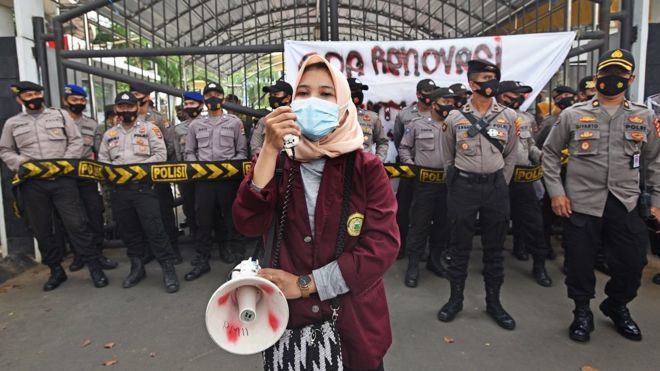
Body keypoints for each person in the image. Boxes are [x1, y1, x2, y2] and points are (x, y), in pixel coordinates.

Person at [232, 54, 399, 371]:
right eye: (304, 93)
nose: (313, 102)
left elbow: (382, 247)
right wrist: (269, 149)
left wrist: (307, 284)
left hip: (354, 325)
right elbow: (247, 222)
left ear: (343, 103)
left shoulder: (366, 168)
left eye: (325, 94)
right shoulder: (278, 163)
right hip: (288, 324)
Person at [542, 49, 660, 343]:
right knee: (580, 264)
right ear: (597, 76)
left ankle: (616, 305)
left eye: (620, 74)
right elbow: (550, 154)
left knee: (633, 264)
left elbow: (654, 162)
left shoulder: (643, 117)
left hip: (625, 202)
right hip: (582, 203)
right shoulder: (573, 114)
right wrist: (556, 193)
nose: (613, 79)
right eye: (607, 72)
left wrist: (657, 202)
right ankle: (582, 311)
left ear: (631, 78)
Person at [0, 81, 108, 290]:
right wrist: (20, 163)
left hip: (62, 181)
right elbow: (5, 150)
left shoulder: (60, 116)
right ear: (19, 99)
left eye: (35, 94)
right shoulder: (13, 123)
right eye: (27, 95)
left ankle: (95, 268)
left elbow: (76, 141)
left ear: (42, 95)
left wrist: (65, 164)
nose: (32, 98)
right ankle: (56, 270)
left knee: (77, 224)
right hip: (32, 184)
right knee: (42, 228)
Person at [437, 60, 518, 330]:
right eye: (485, 78)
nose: (491, 83)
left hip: (495, 188)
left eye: (494, 78)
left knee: (495, 249)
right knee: (459, 247)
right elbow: (448, 156)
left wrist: (500, 183)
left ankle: (494, 303)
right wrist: (459, 182)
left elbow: (510, 155)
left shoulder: (507, 116)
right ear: (473, 84)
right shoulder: (454, 119)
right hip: (464, 187)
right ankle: (455, 299)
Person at [97, 92, 180, 293]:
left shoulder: (150, 129)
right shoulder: (109, 135)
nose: (126, 110)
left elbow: (160, 156)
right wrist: (118, 172)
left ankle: (168, 269)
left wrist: (133, 169)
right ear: (116, 109)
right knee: (129, 232)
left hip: (144, 188)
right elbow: (103, 161)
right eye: (122, 106)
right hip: (119, 191)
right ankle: (137, 267)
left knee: (155, 230)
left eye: (129, 106)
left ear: (137, 106)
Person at [183, 82, 248, 280]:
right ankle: (202, 259)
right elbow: (189, 152)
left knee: (230, 217)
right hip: (204, 182)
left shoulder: (235, 122)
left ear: (223, 98)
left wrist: (227, 169)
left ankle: (234, 254)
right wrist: (200, 170)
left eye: (216, 94)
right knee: (203, 219)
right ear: (204, 99)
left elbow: (241, 151)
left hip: (227, 180)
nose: (213, 97)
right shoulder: (195, 125)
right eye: (209, 94)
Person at [398, 87, 456, 287]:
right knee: (419, 224)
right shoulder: (417, 124)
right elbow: (404, 147)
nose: (449, 105)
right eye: (445, 101)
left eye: (451, 101)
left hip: (447, 183)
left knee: (443, 225)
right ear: (434, 104)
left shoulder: (456, 126)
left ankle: (434, 260)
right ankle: (413, 265)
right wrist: (411, 164)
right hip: (425, 183)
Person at [496, 81, 552, 287]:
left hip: (522, 178)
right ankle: (493, 264)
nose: (520, 98)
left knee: (533, 223)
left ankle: (539, 265)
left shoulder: (526, 118)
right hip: (500, 178)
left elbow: (529, 146)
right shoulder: (491, 117)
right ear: (503, 95)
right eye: (515, 94)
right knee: (497, 222)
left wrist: (544, 158)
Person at [59, 84, 118, 272]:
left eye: (82, 100)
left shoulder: (91, 125)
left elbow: (100, 151)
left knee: (94, 213)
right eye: (74, 100)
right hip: (63, 178)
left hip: (86, 176)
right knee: (72, 219)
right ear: (65, 100)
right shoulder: (55, 121)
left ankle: (98, 253)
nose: (78, 103)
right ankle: (79, 255)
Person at [130, 83, 181, 264]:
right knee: (141, 215)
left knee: (164, 212)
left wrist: (157, 162)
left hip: (157, 172)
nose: (135, 97)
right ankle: (147, 250)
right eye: (133, 93)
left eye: (138, 93)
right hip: (134, 176)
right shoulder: (127, 118)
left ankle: (173, 249)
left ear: (146, 96)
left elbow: (169, 144)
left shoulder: (159, 118)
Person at [392, 78, 436, 259]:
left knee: (426, 211)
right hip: (410, 168)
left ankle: (422, 248)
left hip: (431, 170)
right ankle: (401, 246)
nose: (430, 97)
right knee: (404, 209)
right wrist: (408, 160)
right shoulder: (404, 114)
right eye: (427, 93)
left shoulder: (439, 113)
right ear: (419, 94)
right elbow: (398, 139)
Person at [175, 91, 204, 238]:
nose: (188, 107)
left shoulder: (208, 124)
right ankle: (194, 231)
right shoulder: (178, 129)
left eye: (192, 104)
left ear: (201, 105)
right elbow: (176, 152)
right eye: (186, 104)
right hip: (186, 172)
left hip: (206, 172)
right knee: (188, 204)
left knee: (205, 206)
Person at [349, 77, 389, 162]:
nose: (358, 94)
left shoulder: (372, 117)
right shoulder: (334, 116)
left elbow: (382, 142)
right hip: (341, 168)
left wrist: (378, 161)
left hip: (365, 167)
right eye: (354, 90)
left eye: (360, 91)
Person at [251, 80, 293, 157]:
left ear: (287, 98)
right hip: (269, 165)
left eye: (275, 94)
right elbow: (255, 147)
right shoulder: (264, 121)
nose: (271, 97)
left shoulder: (297, 119)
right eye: (270, 94)